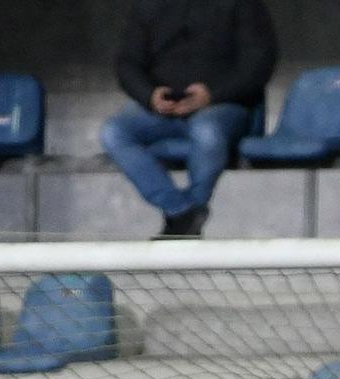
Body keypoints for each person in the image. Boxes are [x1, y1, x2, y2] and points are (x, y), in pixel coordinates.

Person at [102, 0, 278, 238]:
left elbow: (259, 62)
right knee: (114, 132)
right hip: (163, 109)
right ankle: (181, 211)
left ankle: (192, 211)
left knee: (206, 131)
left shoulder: (242, 5)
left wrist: (212, 95)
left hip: (222, 105)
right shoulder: (148, 6)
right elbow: (127, 63)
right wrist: (150, 96)